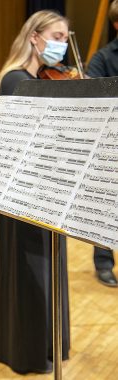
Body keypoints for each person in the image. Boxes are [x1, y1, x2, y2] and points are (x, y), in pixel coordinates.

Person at [0, 10, 71, 374]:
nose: (62, 45)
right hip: (26, 193)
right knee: (32, 271)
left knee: (48, 268)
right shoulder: (15, 80)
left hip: (46, 189)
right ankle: (28, 351)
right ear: (34, 37)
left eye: (66, 39)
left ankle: (48, 346)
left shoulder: (38, 77)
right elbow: (35, 139)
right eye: (56, 36)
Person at [85, 0, 118, 288]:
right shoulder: (102, 58)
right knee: (105, 208)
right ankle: (104, 263)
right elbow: (93, 100)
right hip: (110, 145)